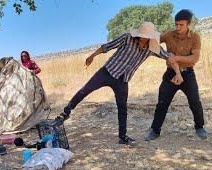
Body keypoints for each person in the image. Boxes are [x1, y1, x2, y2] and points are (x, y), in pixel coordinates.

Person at [59, 22, 183, 146]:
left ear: (150, 37)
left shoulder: (153, 48)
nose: (143, 37)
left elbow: (170, 58)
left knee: (122, 108)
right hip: (107, 72)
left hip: (123, 80)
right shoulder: (127, 38)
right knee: (85, 90)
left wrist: (178, 73)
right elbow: (107, 47)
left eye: (146, 36)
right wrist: (92, 56)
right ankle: (66, 112)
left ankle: (123, 137)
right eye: (142, 35)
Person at [145, 10, 208, 141]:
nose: (178, 28)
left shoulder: (195, 37)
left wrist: (175, 58)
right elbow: (153, 41)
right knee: (162, 102)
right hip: (170, 74)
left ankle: (200, 127)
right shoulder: (169, 35)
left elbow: (194, 58)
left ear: (188, 24)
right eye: (176, 24)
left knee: (195, 101)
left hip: (188, 74)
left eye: (181, 25)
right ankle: (155, 130)